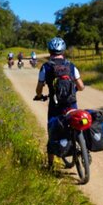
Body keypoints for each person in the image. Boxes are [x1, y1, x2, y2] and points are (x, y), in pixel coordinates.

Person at [34, 37, 85, 166]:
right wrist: (73, 90)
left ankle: (50, 165)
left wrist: (39, 95)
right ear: (63, 50)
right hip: (71, 104)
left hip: (55, 106)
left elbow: (39, 88)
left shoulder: (46, 67)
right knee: (76, 123)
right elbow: (81, 87)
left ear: (50, 50)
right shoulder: (71, 65)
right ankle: (84, 151)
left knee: (52, 131)